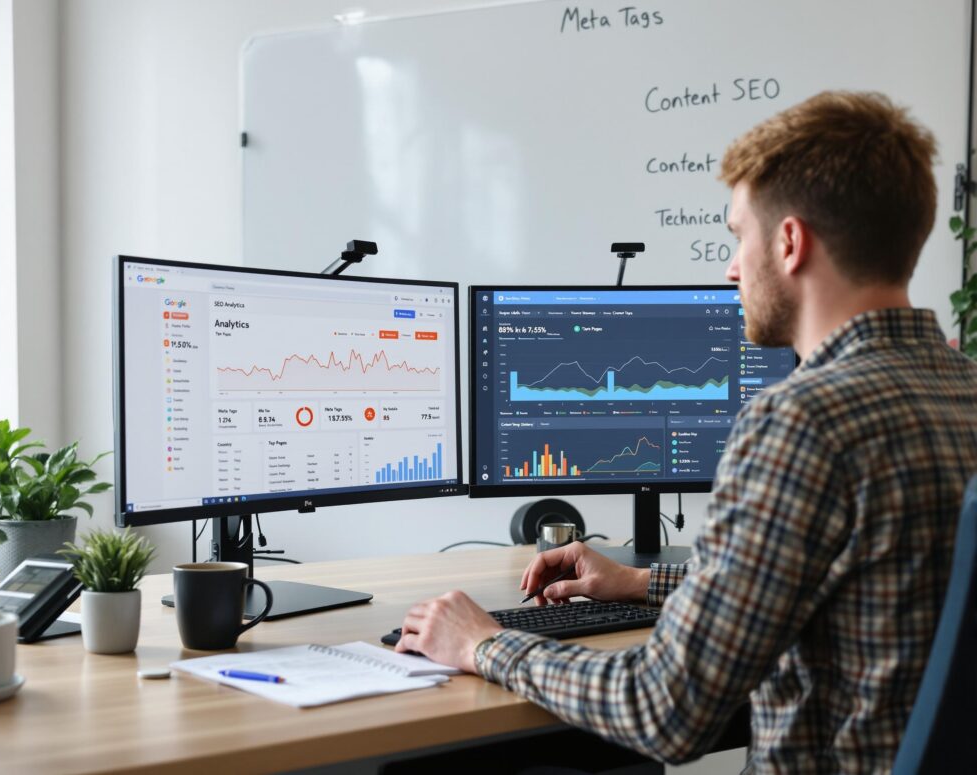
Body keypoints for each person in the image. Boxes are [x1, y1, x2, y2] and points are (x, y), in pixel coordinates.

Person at [395, 91, 977, 772]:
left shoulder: (801, 421)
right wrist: (642, 581)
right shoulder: (963, 388)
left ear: (789, 242)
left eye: (738, 236)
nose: (732, 268)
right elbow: (849, 582)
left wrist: (482, 643)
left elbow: (665, 709)